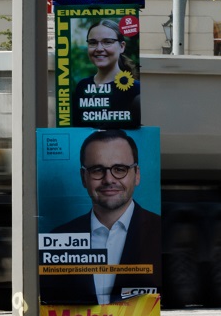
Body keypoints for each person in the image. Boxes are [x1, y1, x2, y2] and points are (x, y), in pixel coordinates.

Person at [39, 130, 162, 305]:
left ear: (137, 174)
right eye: (97, 170)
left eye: (120, 169)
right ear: (84, 177)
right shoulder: (56, 239)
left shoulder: (161, 231)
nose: (108, 179)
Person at [70, 20, 140, 128]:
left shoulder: (134, 90)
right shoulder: (82, 86)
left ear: (122, 46)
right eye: (93, 42)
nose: (99, 49)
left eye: (107, 42)